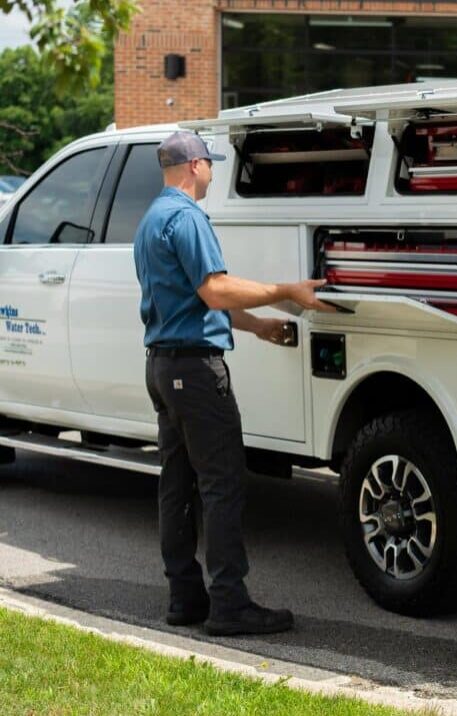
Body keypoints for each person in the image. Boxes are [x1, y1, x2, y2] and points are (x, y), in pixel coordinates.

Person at [134, 131, 333, 636]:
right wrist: (285, 291)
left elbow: (194, 300)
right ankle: (229, 604)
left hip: (162, 366)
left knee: (176, 485)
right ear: (193, 166)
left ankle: (185, 597)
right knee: (222, 485)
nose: (213, 173)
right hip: (197, 373)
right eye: (210, 164)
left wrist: (258, 326)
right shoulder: (188, 218)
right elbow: (215, 288)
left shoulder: (151, 219)